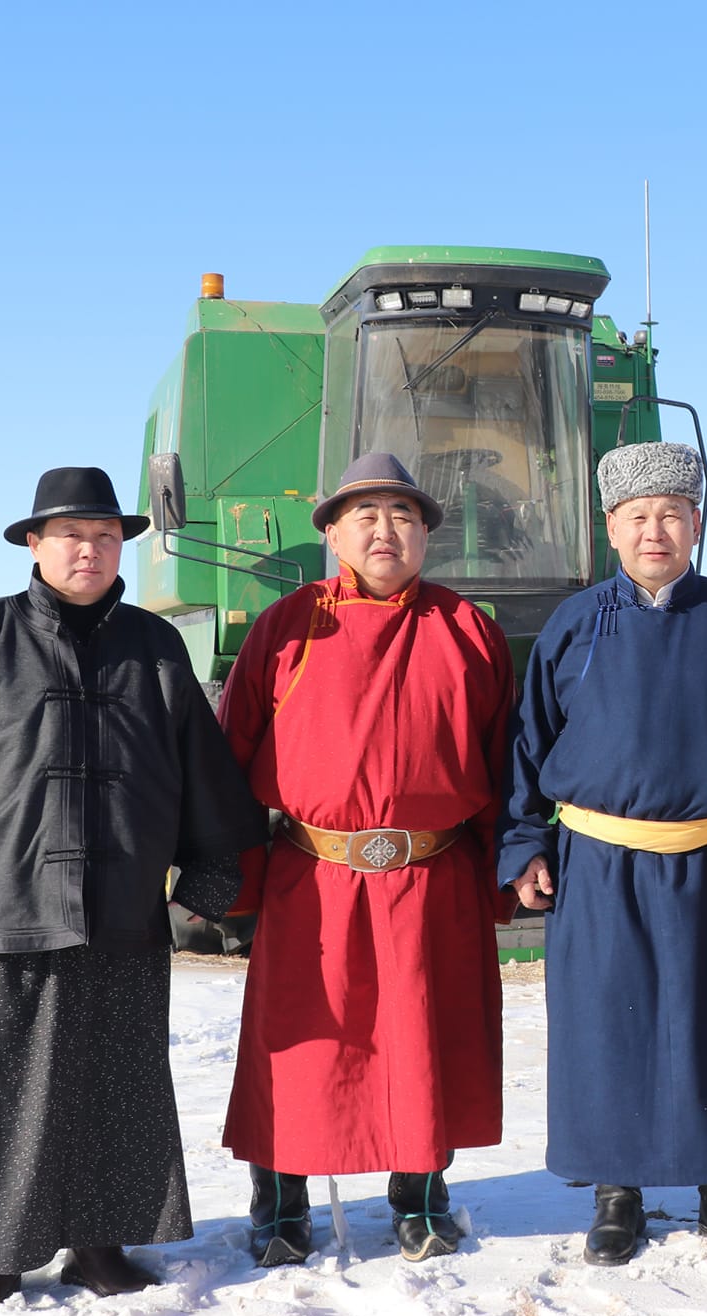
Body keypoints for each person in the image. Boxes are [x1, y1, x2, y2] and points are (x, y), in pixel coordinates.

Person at [0, 467, 265, 1316]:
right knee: (5, 1088)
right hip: (7, 905)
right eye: (72, 534)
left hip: (123, 908)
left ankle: (99, 1246)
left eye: (106, 537)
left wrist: (210, 876)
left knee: (118, 1083)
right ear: (35, 545)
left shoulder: (154, 644)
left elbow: (202, 772)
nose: (90, 549)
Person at [500, 441, 707, 1268]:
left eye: (672, 514)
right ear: (612, 528)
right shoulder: (573, 625)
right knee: (608, 1027)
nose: (655, 531)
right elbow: (529, 747)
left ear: (696, 523)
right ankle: (617, 1196)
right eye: (638, 517)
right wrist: (527, 842)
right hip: (599, 863)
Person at [218, 452, 516, 1266]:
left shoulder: (466, 629)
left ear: (425, 534)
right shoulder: (288, 627)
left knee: (426, 1040)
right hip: (313, 878)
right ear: (335, 532)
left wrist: (505, 874)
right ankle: (279, 1204)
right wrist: (235, 883)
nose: (385, 531)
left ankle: (420, 1199)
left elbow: (502, 763)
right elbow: (229, 758)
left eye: (402, 516)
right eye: (366, 515)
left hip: (433, 875)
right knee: (303, 1046)